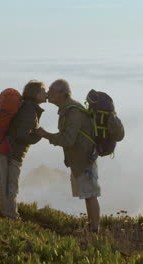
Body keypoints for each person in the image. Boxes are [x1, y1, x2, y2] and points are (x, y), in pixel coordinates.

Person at [37, 79, 101, 232]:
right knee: (87, 194)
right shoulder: (67, 110)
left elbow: (68, 139)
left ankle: (95, 230)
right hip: (79, 159)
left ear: (62, 94)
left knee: (91, 195)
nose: (48, 94)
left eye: (51, 92)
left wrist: (46, 135)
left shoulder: (73, 112)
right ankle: (91, 227)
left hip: (85, 160)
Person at [0, 80, 47, 219]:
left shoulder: (27, 106)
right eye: (43, 91)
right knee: (11, 185)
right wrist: (38, 135)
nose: (46, 93)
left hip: (6, 149)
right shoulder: (30, 110)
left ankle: (7, 213)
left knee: (6, 184)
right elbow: (21, 135)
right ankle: (11, 216)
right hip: (11, 152)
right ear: (35, 93)